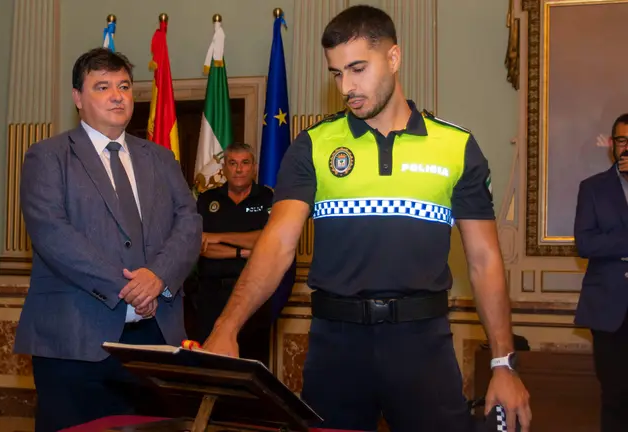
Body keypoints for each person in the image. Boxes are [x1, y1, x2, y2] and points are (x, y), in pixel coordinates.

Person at [202, 5, 531, 432]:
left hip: (422, 344)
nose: (347, 86)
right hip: (336, 344)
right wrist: (227, 327)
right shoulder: (312, 146)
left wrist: (503, 363)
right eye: (337, 73)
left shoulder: (456, 147)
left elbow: (485, 260)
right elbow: (277, 244)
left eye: (357, 68)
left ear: (393, 58)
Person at [14, 48, 202, 432]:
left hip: (156, 341)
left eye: (124, 86)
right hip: (74, 341)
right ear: (78, 98)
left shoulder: (161, 158)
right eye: (102, 87)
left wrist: (159, 277)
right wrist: (129, 287)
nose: (117, 95)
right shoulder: (47, 157)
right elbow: (52, 233)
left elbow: (190, 221)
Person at [194, 143, 296, 366]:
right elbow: (200, 246)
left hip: (254, 298)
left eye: (245, 163)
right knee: (208, 364)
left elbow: (269, 239)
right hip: (211, 297)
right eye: (232, 163)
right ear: (224, 167)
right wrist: (244, 252)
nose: (239, 169)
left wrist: (217, 237)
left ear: (255, 168)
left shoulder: (269, 198)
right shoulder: (206, 200)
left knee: (251, 366)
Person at [574, 113, 628, 432]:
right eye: (622, 141)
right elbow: (585, 243)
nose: (627, 149)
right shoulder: (592, 188)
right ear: (611, 145)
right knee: (615, 396)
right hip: (609, 309)